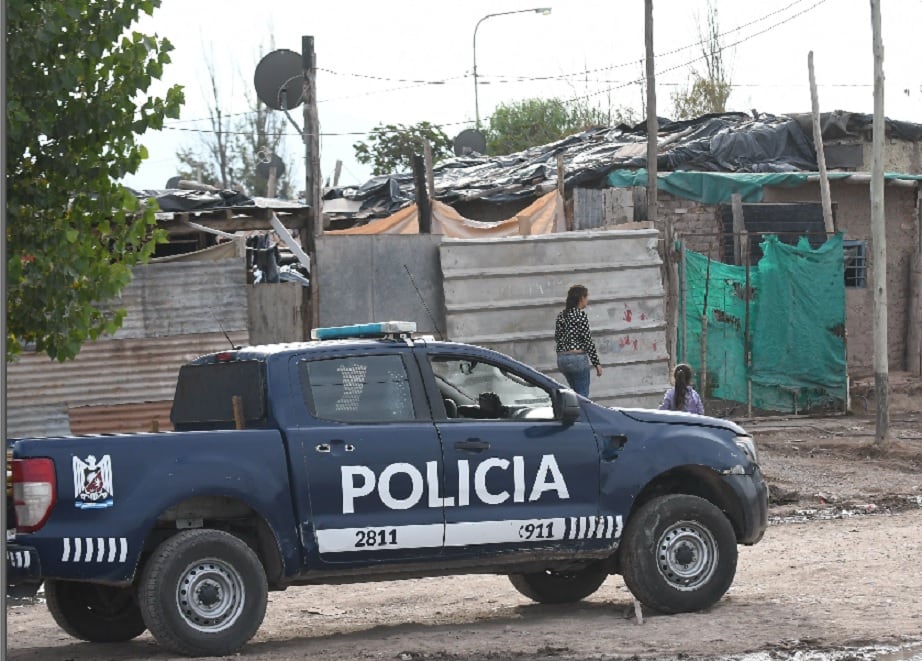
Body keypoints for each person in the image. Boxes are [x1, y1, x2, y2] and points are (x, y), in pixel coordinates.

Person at [555, 284, 602, 397]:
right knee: (583, 395)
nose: (587, 300)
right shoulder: (580, 315)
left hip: (562, 359)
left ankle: (576, 413)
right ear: (581, 298)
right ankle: (582, 414)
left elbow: (557, 337)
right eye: (586, 297)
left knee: (575, 394)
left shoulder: (562, 315)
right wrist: (597, 364)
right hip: (577, 358)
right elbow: (587, 340)